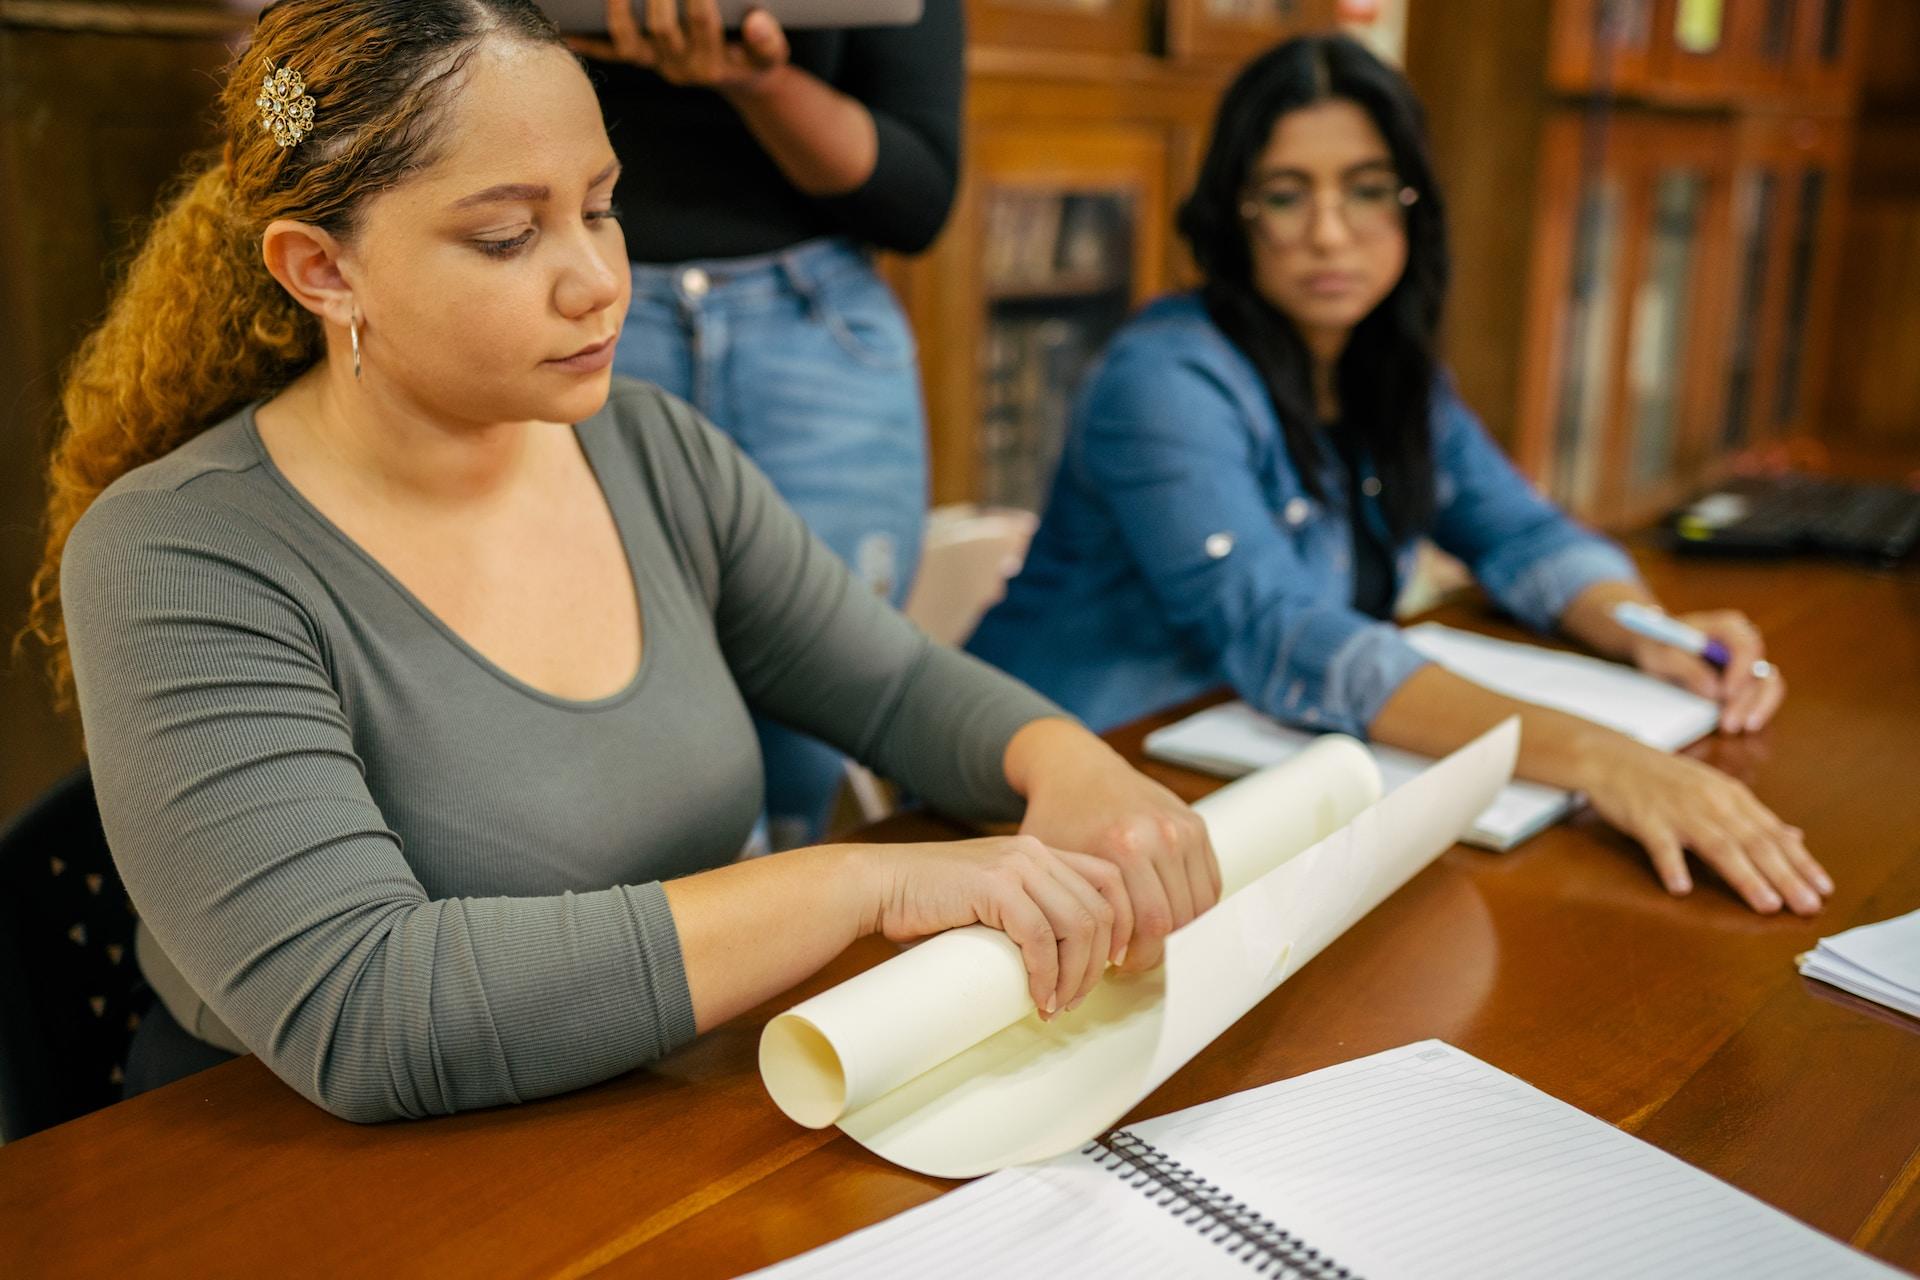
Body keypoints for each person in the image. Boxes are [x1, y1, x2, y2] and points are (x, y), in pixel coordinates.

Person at [25, 0, 1217, 1121]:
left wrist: (1065, 763)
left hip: (641, 1109)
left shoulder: (648, 447)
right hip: (293, 1182)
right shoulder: (180, 553)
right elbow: (369, 1009)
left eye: (600, 206)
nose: (599, 281)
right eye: (506, 236)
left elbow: (897, 687)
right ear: (322, 269)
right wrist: (867, 884)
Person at [968, 34, 1832, 919]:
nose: (1330, 232)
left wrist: (1641, 627)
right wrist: (1603, 758)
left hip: (1247, 790)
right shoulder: (1163, 378)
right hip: (1053, 808)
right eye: (1285, 194)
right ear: (1236, 215)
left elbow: (1523, 531)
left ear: (1412, 204)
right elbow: (1281, 633)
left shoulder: (1389, 373)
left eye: (1368, 189)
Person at [569, 0, 963, 848]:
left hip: (811, 326)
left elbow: (918, 196)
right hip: (586, 303)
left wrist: (759, 82)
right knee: (610, 715)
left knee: (823, 713)